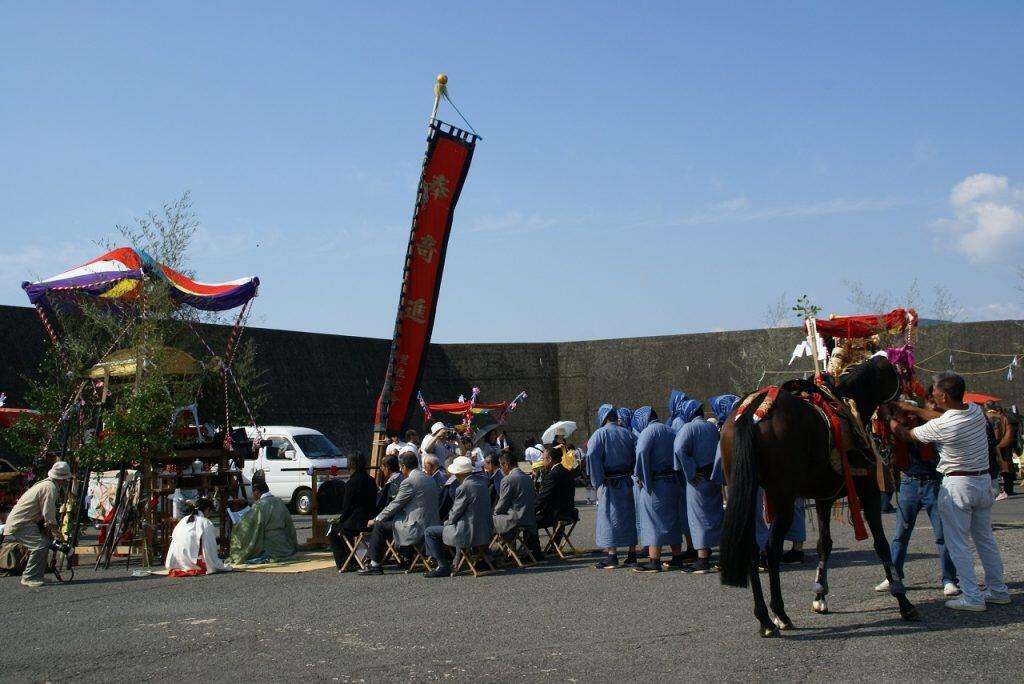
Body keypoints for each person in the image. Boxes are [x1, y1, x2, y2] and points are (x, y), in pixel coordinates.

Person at [889, 371, 1010, 610]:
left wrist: (889, 418)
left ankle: (972, 597)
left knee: (958, 544)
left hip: (957, 486)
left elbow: (907, 435)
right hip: (982, 481)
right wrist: (912, 409)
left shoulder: (944, 425)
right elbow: (934, 415)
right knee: (985, 540)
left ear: (943, 397)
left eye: (934, 392)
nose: (931, 395)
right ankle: (998, 590)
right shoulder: (975, 411)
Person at [873, 403, 960, 597]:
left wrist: (896, 415)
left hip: (934, 483)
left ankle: (949, 579)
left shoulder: (933, 424)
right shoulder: (904, 426)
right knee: (900, 535)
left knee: (942, 535)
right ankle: (894, 576)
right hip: (909, 483)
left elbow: (908, 429)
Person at [359, 452, 440, 576]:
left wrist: (376, 519)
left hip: (416, 528)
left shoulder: (410, 481)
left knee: (380, 526)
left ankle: (375, 564)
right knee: (397, 521)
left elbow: (395, 504)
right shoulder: (428, 477)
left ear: (403, 466)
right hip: (432, 524)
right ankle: (405, 557)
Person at [631, 406, 686, 573]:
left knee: (653, 520)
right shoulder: (670, 431)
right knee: (673, 521)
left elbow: (641, 452)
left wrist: (641, 476)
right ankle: (677, 557)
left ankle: (654, 560)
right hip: (672, 480)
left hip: (655, 483)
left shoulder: (648, 432)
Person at [2, 461, 71, 588]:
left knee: (43, 543)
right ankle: (30, 577)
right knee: (40, 546)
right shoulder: (50, 488)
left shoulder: (46, 484)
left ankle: (37, 576)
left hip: (24, 521)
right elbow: (48, 514)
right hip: (21, 523)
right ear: (63, 478)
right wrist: (57, 534)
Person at [673, 400, 722, 573]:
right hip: (712, 476)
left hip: (697, 478)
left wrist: (690, 471)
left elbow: (679, 449)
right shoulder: (711, 427)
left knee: (698, 517)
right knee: (715, 515)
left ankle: (702, 559)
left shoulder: (688, 428)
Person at [587, 404, 638, 569]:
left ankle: (612, 555)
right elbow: (638, 453)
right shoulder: (628, 433)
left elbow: (592, 454)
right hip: (627, 480)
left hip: (609, 481)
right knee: (629, 517)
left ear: (602, 417)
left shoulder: (600, 433)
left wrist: (598, 478)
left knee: (609, 517)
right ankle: (632, 553)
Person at [423, 456, 493, 577]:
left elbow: (455, 513)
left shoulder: (463, 487)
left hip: (467, 532)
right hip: (484, 531)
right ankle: (455, 561)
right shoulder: (482, 484)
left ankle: (442, 565)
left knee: (430, 531)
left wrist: (447, 523)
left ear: (459, 473)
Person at [327, 453, 378, 571]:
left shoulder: (352, 482)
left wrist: (340, 519)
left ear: (350, 464)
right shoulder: (371, 480)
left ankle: (344, 561)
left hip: (356, 523)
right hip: (369, 519)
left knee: (333, 530)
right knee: (344, 528)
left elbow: (346, 506)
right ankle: (353, 559)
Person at [229, 481, 298, 564]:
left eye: (253, 493)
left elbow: (249, 524)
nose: (253, 495)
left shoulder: (260, 505)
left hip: (270, 546)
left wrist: (237, 525)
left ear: (256, 492)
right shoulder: (280, 502)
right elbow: (289, 524)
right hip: (284, 545)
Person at [493, 452, 543, 558]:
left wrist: (495, 512)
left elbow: (503, 503)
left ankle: (501, 551)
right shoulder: (528, 478)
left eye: (501, 466)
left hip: (516, 519)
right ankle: (510, 550)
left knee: (490, 519)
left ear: (506, 465)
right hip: (530, 518)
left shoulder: (507, 480)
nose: (501, 470)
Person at [166, 497, 232, 576]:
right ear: (208, 509)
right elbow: (209, 547)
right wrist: (215, 562)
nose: (210, 514)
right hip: (193, 563)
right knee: (215, 562)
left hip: (177, 561)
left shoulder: (183, 520)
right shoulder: (205, 522)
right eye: (210, 511)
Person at [536, 446, 578, 536]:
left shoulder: (552, 476)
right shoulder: (567, 472)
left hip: (556, 515)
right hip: (570, 513)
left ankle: (534, 549)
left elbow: (543, 498)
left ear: (550, 459)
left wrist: (531, 510)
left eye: (543, 459)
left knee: (529, 522)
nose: (542, 461)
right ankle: (555, 545)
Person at [985, 402, 1016, 499]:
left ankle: (991, 490)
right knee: (1006, 468)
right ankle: (1008, 489)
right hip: (1002, 447)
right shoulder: (1003, 417)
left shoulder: (983, 417)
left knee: (989, 470)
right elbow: (1009, 435)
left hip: (987, 448)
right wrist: (1000, 445)